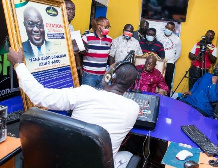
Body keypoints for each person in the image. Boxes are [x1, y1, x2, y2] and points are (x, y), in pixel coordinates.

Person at [8, 47, 139, 168]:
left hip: (66, 162)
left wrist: (18, 64)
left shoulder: (84, 93)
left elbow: (39, 96)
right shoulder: (133, 108)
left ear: (109, 77)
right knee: (127, 155)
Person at [81, 17, 112, 89]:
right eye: (106, 27)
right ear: (99, 26)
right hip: (89, 75)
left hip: (103, 76)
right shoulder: (86, 38)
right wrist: (80, 68)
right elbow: (79, 53)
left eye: (108, 27)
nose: (108, 29)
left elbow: (109, 56)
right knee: (86, 98)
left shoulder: (110, 40)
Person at [156, 22, 181, 93]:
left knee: (167, 81)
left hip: (169, 63)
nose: (168, 30)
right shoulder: (159, 36)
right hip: (159, 62)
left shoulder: (177, 39)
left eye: (170, 29)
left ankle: (167, 98)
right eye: (167, 28)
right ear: (165, 27)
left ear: (173, 30)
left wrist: (171, 60)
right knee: (156, 80)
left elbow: (178, 53)